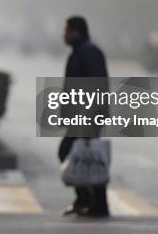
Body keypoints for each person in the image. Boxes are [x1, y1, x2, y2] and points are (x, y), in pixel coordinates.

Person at [58, 16, 110, 218]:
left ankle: (90, 199)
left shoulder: (88, 53)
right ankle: (93, 201)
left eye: (66, 30)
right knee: (89, 158)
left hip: (86, 117)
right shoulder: (81, 52)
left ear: (76, 31)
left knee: (76, 154)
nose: (63, 34)